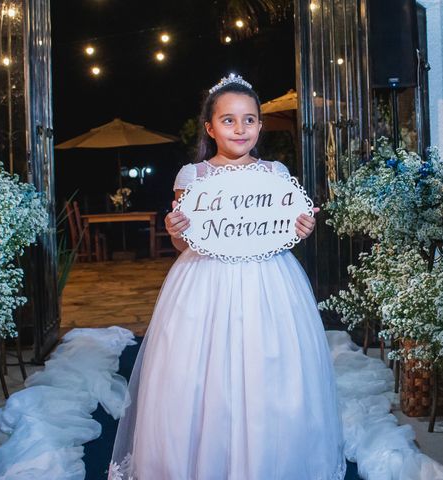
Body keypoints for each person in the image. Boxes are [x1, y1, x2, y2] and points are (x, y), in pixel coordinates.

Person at [108, 74, 346, 480]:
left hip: (267, 285)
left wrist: (299, 231)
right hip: (205, 285)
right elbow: (187, 244)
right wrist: (175, 230)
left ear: (260, 125)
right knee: (200, 378)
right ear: (210, 127)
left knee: (268, 370)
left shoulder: (274, 172)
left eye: (249, 120)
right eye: (229, 120)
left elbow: (279, 235)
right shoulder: (193, 177)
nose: (240, 129)